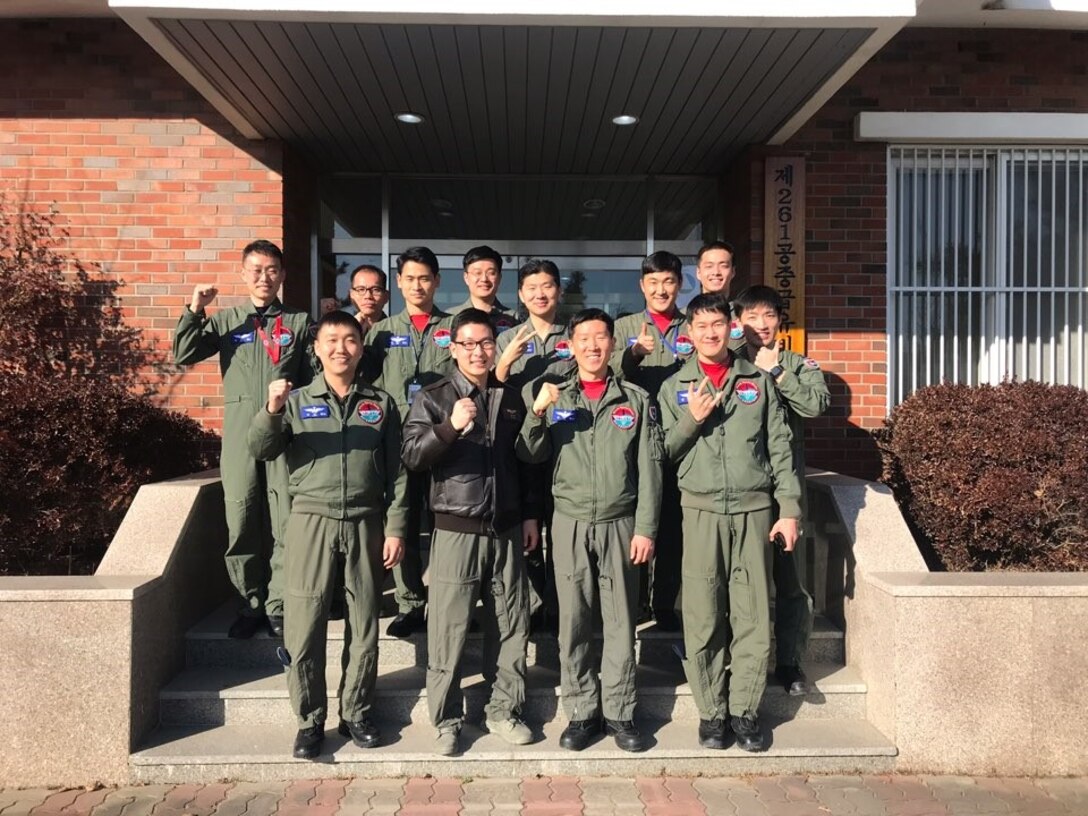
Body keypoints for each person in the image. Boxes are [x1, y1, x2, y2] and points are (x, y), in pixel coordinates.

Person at [247, 311, 406, 760]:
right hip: (310, 521)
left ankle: (356, 711)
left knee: (364, 624)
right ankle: (309, 719)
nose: (341, 348)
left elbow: (397, 473)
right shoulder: (295, 401)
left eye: (350, 340)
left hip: (365, 520)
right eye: (331, 340)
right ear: (316, 348)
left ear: (361, 347)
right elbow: (261, 449)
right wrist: (271, 411)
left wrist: (395, 527)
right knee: (305, 624)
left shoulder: (381, 402)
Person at [658, 293, 802, 753]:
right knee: (702, 618)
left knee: (752, 616)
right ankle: (712, 713)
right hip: (699, 512)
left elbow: (780, 449)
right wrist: (690, 421)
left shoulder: (757, 382)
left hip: (754, 510)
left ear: (730, 328)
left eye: (718, 324)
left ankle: (744, 711)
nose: (711, 333)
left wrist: (790, 510)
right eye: (701, 326)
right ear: (689, 334)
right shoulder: (673, 386)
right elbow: (660, 451)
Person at [518, 308, 663, 754]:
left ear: (612, 344)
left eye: (601, 337)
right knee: (574, 621)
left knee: (621, 621)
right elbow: (529, 455)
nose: (593, 346)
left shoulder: (635, 399)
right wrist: (537, 414)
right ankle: (582, 712)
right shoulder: (556, 395)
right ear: (572, 345)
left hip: (621, 523)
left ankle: (620, 711)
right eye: (584, 338)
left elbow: (651, 469)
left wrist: (646, 529)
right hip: (570, 522)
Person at [401, 309, 539, 756]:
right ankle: (446, 719)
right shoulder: (434, 397)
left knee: (511, 624)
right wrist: (449, 428)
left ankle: (503, 711)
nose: (478, 351)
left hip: (506, 528)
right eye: (468, 343)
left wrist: (531, 515)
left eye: (485, 343)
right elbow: (412, 457)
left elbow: (525, 464)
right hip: (455, 528)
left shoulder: (511, 397)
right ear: (453, 347)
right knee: (448, 629)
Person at [173, 239, 314, 639]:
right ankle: (250, 602)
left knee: (285, 520)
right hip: (238, 433)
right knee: (241, 516)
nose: (264, 277)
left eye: (272, 270)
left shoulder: (298, 322)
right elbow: (184, 353)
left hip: (283, 431)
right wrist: (195, 308)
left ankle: (280, 604)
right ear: (242, 274)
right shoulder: (227, 320)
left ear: (283, 276)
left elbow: (313, 377)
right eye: (255, 269)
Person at [735, 285, 830, 697]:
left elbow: (815, 406)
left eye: (768, 316)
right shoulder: (730, 363)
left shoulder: (798, 364)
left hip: (786, 485)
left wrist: (777, 372)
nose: (761, 325)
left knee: (790, 579)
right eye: (752, 317)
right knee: (739, 577)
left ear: (779, 320)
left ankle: (789, 662)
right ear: (739, 322)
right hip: (742, 485)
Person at [362, 247, 454, 637]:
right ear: (398, 283)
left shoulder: (454, 327)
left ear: (437, 281)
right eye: (409, 279)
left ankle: (451, 601)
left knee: (446, 525)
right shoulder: (380, 332)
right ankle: (410, 602)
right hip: (399, 441)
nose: (417, 286)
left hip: (445, 439)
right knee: (402, 518)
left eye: (425, 278)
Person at [609, 251, 690, 631]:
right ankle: (636, 599)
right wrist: (633, 355)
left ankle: (664, 602)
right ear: (642, 285)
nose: (661, 290)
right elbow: (606, 374)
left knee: (672, 524)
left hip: (680, 437)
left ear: (679, 284)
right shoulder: (624, 325)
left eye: (669, 282)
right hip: (633, 437)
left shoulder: (692, 326)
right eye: (653, 282)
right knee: (636, 522)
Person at [494, 259, 576, 628]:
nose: (540, 294)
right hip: (520, 444)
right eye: (531, 288)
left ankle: (558, 606)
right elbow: (490, 390)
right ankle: (534, 600)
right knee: (525, 527)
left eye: (547, 286)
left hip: (566, 442)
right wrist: (504, 365)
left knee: (560, 526)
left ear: (559, 290)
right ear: (520, 295)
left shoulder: (575, 335)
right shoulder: (506, 339)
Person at [452, 245, 517, 332]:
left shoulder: (514, 318)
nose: (484, 279)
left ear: (499, 277)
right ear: (466, 277)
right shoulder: (451, 316)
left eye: (491, 273)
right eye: (477, 273)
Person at [345, 263, 390, 331]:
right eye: (361, 289)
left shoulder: (397, 331)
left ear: (386, 296)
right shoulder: (342, 331)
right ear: (351, 295)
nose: (368, 296)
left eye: (375, 290)